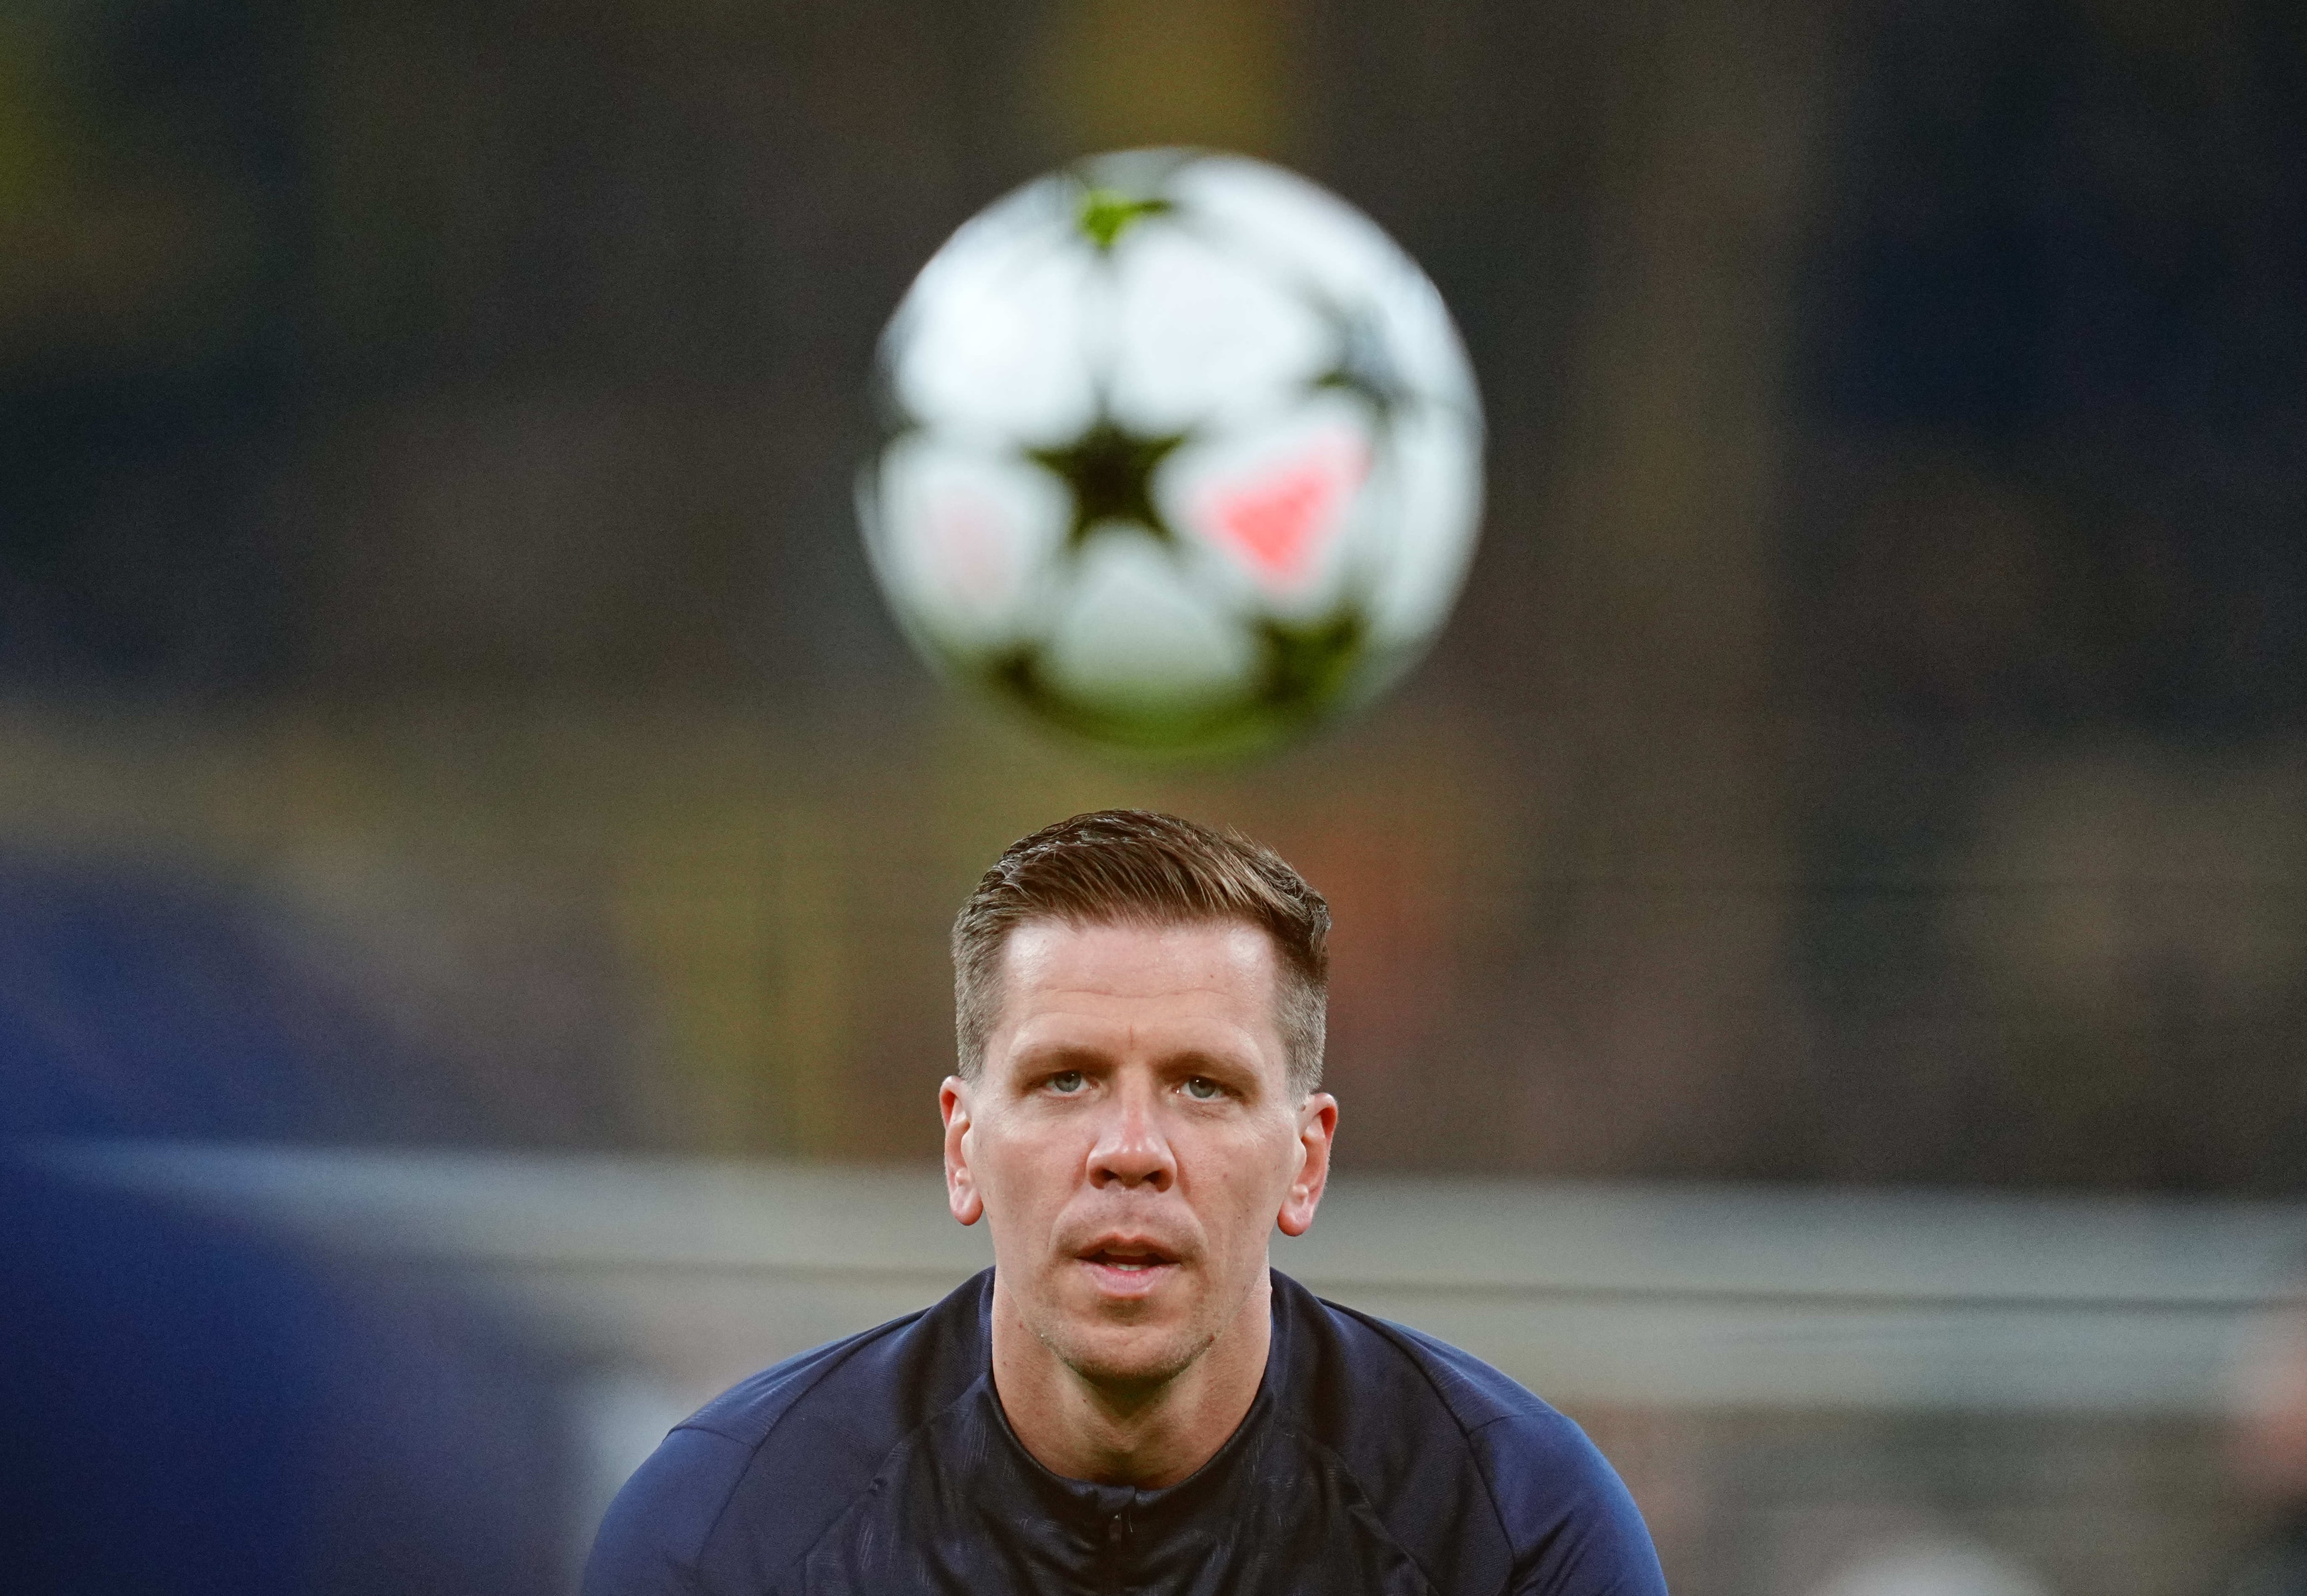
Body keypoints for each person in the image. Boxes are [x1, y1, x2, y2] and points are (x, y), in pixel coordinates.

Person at [584, 809, 1667, 1595]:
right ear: (962, 1147)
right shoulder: (725, 1534)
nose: (1131, 1151)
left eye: (1205, 1085)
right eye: (1066, 1079)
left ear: (1306, 1159)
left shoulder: (1514, 1530)